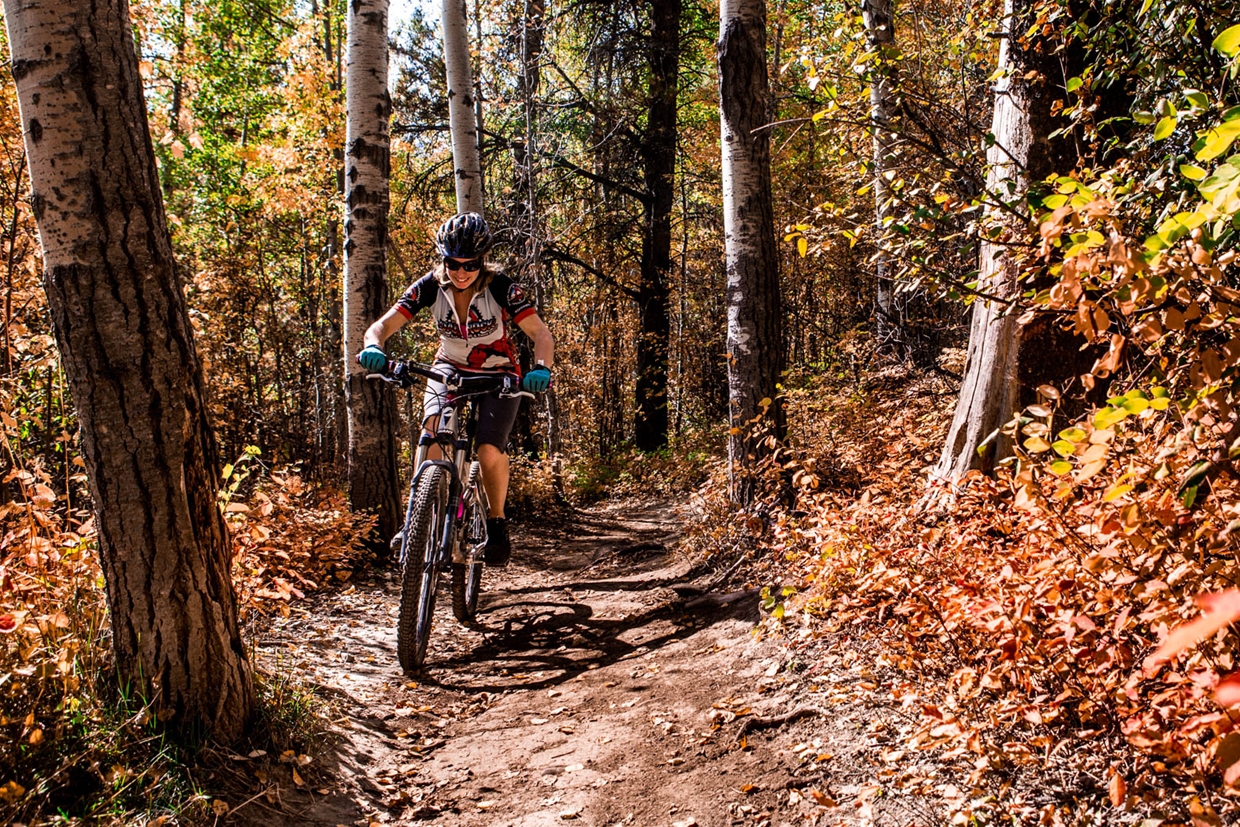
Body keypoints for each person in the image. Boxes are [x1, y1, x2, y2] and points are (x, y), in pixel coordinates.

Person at [358, 213, 554, 567]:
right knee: (430, 434)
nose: (461, 272)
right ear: (443, 260)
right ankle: (417, 519)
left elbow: (540, 333)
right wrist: (374, 347)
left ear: (482, 261)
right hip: (448, 368)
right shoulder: (430, 287)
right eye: (453, 263)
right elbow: (380, 327)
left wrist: (541, 367)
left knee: (488, 449)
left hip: (498, 372)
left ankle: (497, 522)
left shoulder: (502, 288)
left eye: (470, 264)